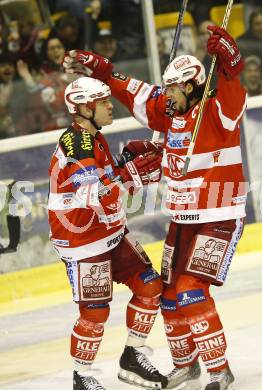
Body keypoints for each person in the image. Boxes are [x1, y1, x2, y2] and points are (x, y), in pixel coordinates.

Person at [63, 23, 247, 390]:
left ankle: (219, 370)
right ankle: (186, 364)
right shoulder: (169, 113)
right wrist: (102, 71)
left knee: (191, 290)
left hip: (218, 217)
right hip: (182, 220)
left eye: (175, 88)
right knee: (167, 293)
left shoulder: (216, 111)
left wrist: (230, 65)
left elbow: (235, 98)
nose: (167, 94)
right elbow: (134, 92)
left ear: (192, 86)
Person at [47, 76, 168, 390]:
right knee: (95, 311)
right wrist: (132, 175)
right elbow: (93, 193)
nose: (109, 105)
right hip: (84, 242)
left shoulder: (94, 138)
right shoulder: (76, 142)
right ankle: (82, 375)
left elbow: (106, 181)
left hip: (110, 232)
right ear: (85, 108)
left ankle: (133, 355)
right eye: (102, 102)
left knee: (150, 286)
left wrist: (126, 162)